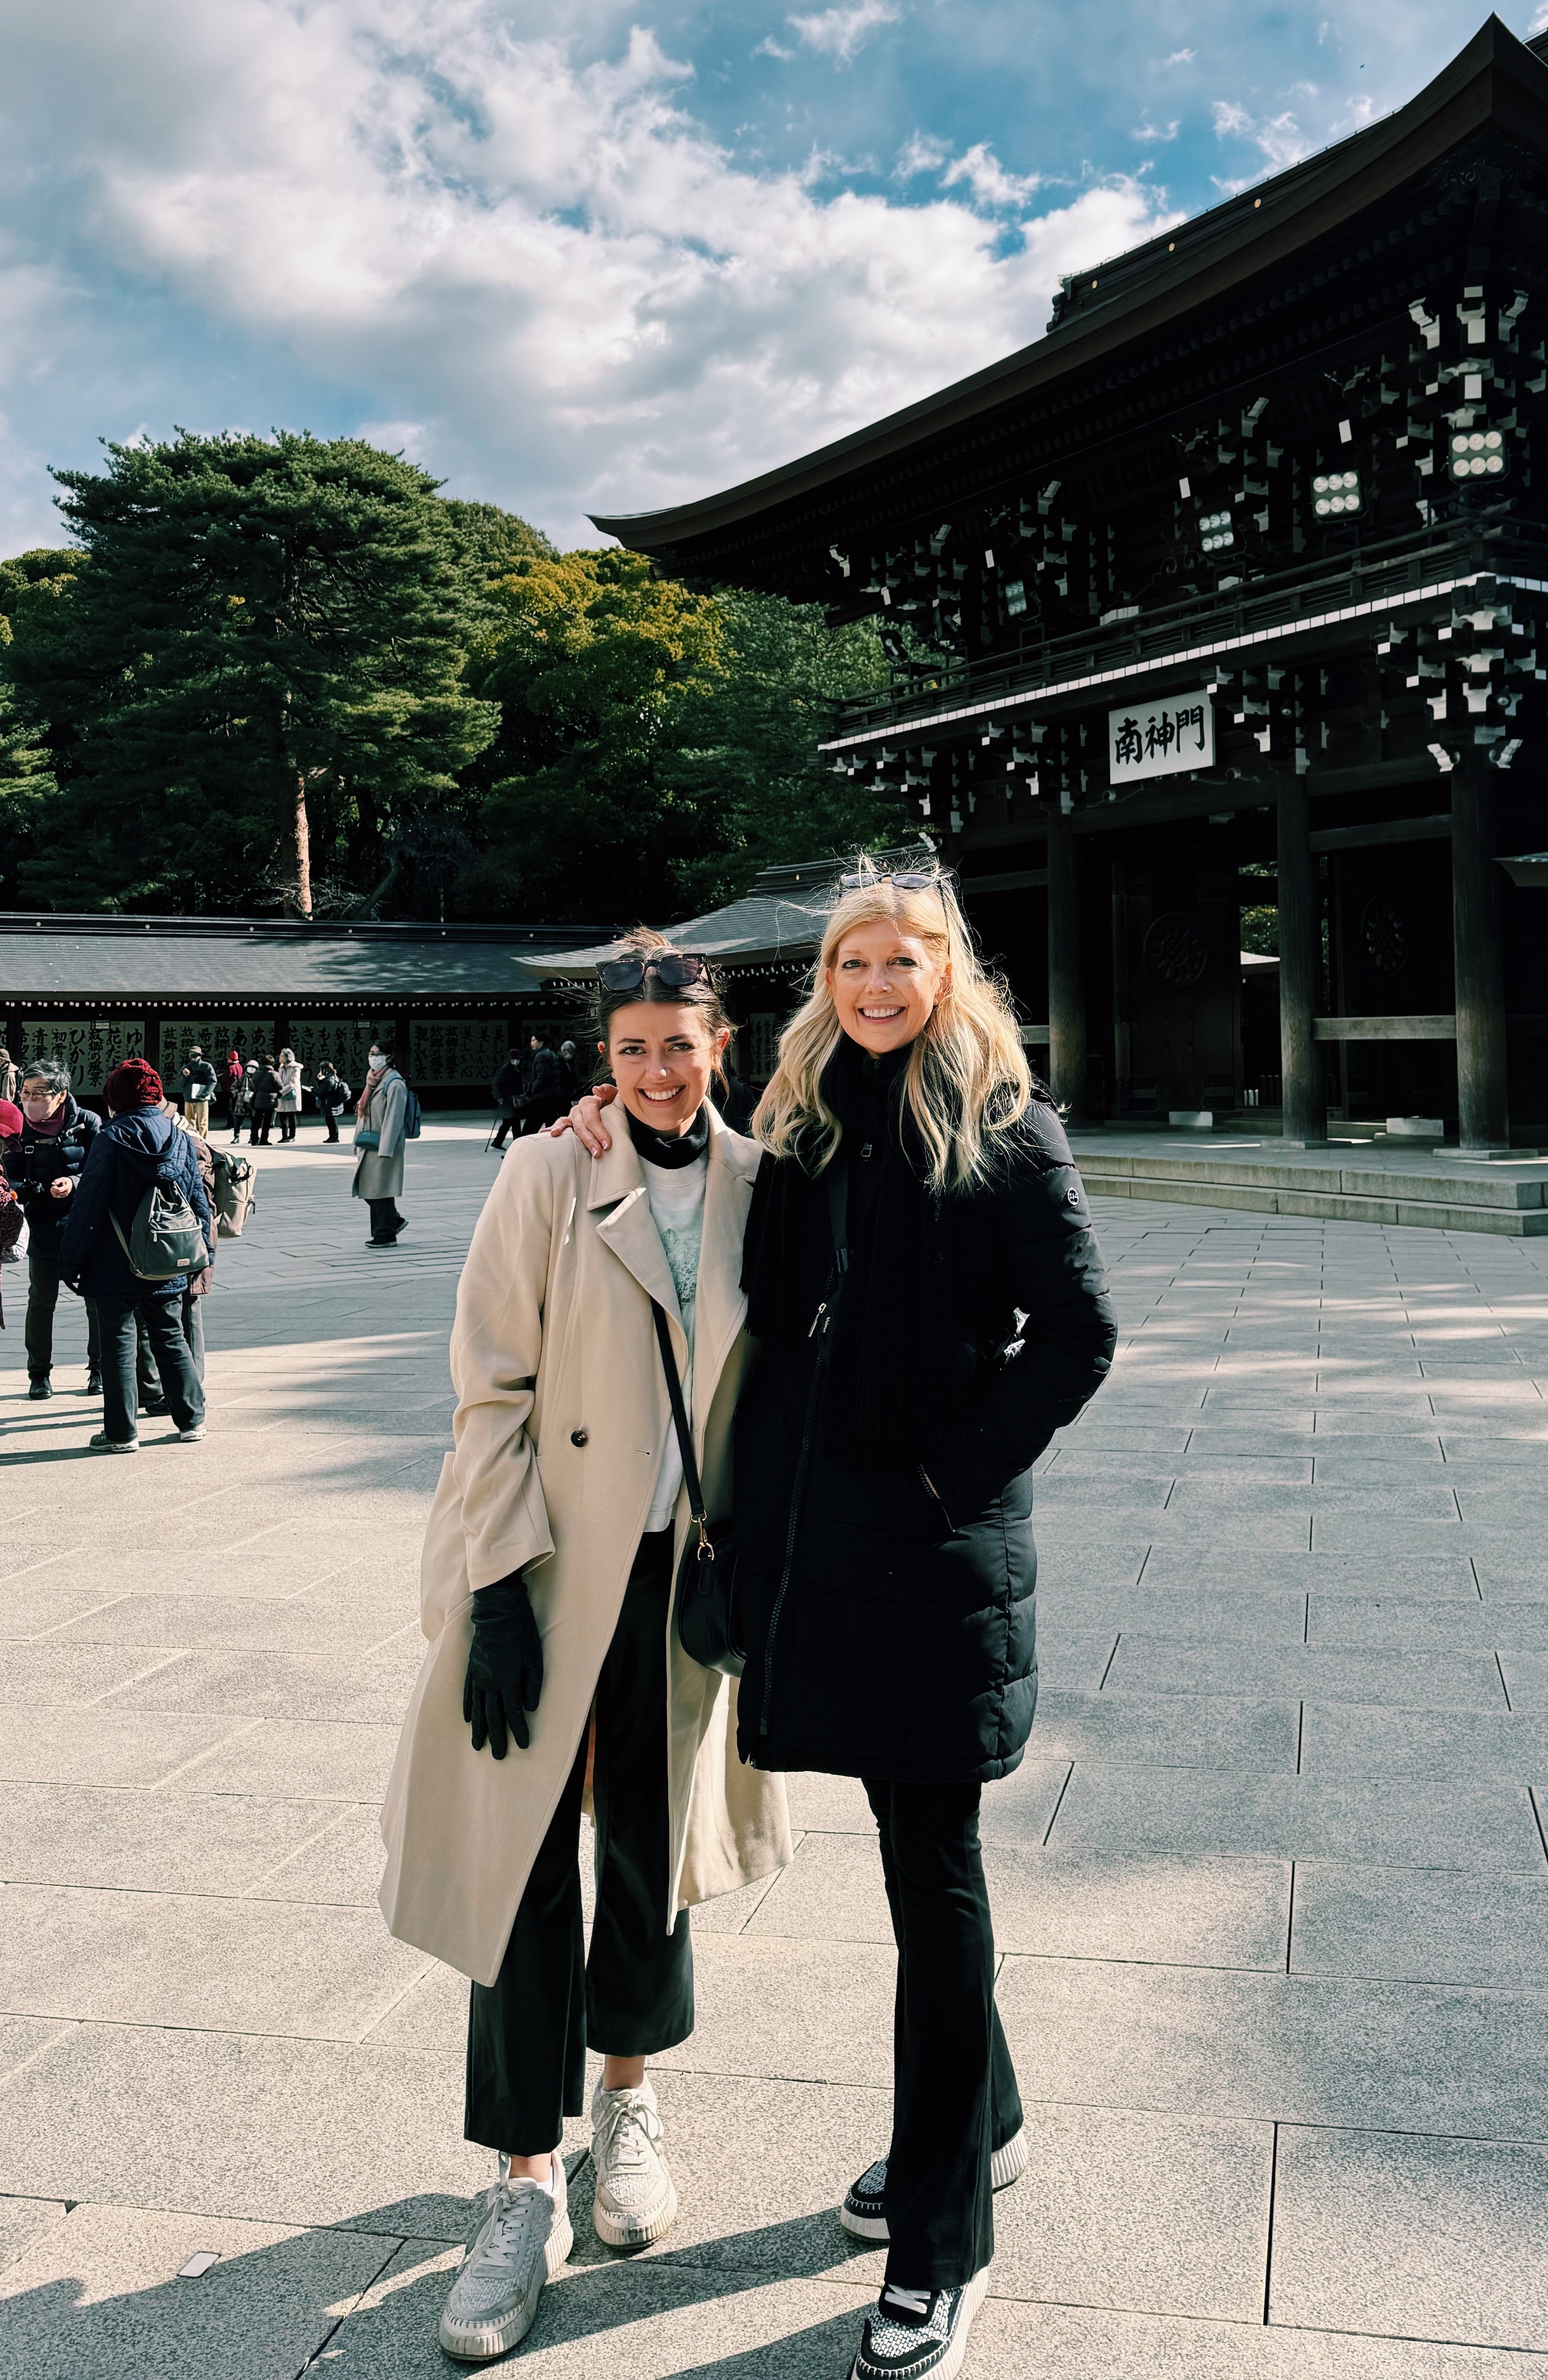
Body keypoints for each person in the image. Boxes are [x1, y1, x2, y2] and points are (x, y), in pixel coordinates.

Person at [560, 869, 1116, 2380]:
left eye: (901, 960)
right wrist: (597, 1130)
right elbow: (703, 1198)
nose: (874, 984)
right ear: (827, 980)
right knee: (909, 1860)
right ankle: (979, 2119)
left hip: (933, 1558)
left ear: (949, 974)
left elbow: (1078, 1334)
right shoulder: (807, 1129)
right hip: (822, 1550)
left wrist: (947, 1471)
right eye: (851, 962)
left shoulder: (1000, 1127)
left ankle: (942, 2241)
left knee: (933, 1880)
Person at [379, 928, 790, 2364]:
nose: (661, 1070)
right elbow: (488, 1387)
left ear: (719, 1046)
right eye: (633, 1048)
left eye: (682, 1044)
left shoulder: (759, 1183)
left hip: (680, 1580)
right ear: (599, 1059)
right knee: (520, 1866)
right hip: (551, 1570)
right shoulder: (547, 1173)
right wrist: (495, 1590)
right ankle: (519, 2179)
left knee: (648, 1856)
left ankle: (627, 2097)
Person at [58, 1057, 213, 1452]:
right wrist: (204, 1253)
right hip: (167, 1256)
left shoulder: (111, 1138)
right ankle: (191, 1420)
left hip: (115, 1260)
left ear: (116, 1098)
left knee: (119, 1342)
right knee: (170, 1335)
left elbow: (89, 1204)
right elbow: (197, 1200)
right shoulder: (179, 1137)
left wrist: (72, 1261)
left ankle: (122, 1432)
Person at [8, 1057, 103, 1398]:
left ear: (61, 1095)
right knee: (41, 1299)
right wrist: (26, 1187)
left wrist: (74, 1183)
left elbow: (101, 1171)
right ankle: (39, 1374)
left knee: (95, 1299)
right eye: (26, 1092)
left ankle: (99, 1369)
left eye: (39, 1093)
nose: (30, 1100)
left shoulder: (88, 1123)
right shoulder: (18, 1126)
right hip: (41, 1224)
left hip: (83, 1224)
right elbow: (9, 1176)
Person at [134, 1091, 217, 1412]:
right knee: (182, 1313)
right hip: (184, 1239)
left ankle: (190, 1391)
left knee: (189, 1312)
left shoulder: (184, 1140)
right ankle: (172, 1390)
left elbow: (197, 1199)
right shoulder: (177, 1131)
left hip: (187, 1240)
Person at [352, 1045, 409, 1245]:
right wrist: (357, 1140)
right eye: (371, 1054)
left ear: (389, 1057)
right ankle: (394, 1221)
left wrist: (386, 1149)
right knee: (370, 1189)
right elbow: (363, 1112)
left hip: (385, 1145)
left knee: (381, 1190)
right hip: (369, 1142)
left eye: (377, 1054)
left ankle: (385, 1234)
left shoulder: (394, 1083)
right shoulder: (373, 1081)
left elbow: (394, 1119)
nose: (373, 1058)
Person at [519, 1032, 568, 1134]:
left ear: (541, 1042)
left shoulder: (541, 1056)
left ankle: (524, 1148)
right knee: (551, 1125)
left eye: (534, 1040)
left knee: (529, 1129)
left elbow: (542, 1076)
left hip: (542, 1097)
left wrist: (532, 1090)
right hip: (553, 1096)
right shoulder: (551, 1054)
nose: (531, 1043)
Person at [490, 1048, 525, 1151]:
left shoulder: (513, 1068)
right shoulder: (507, 1069)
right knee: (514, 1123)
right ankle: (517, 1145)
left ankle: (497, 1142)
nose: (517, 1061)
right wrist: (499, 1097)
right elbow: (496, 1083)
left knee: (509, 1123)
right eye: (515, 1059)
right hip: (508, 1100)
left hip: (512, 1100)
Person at [176, 1046, 217, 1133]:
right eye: (191, 1054)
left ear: (200, 1056)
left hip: (202, 1098)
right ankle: (193, 1141)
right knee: (189, 1123)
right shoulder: (186, 1068)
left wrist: (206, 1093)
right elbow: (180, 1085)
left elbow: (213, 1081)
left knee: (203, 1122)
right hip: (189, 1099)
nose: (193, 1056)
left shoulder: (207, 1066)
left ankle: (203, 1142)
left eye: (196, 1055)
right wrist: (185, 1076)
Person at [247, 1053, 282, 1146]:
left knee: (256, 1121)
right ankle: (264, 1140)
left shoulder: (256, 1073)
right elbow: (280, 1086)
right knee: (267, 1122)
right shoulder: (274, 1074)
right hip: (270, 1100)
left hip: (258, 1099)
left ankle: (254, 1139)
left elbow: (252, 1086)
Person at [315, 1060, 351, 1144]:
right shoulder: (333, 1077)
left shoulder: (329, 1080)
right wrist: (319, 1080)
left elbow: (323, 1092)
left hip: (330, 1103)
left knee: (331, 1121)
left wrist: (313, 1090)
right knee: (331, 1121)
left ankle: (334, 1137)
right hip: (334, 1103)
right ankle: (333, 1137)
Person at [275, 1048, 307, 1142]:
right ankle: (284, 1136)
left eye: (282, 1056)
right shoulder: (281, 1067)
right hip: (282, 1094)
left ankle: (292, 1136)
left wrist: (282, 1091)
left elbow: (293, 1082)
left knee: (291, 1117)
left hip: (291, 1094)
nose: (280, 1058)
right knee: (283, 1117)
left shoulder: (295, 1068)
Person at [224, 1050, 246, 1139]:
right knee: (233, 1107)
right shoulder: (240, 1066)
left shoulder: (230, 1068)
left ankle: (231, 1124)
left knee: (229, 1108)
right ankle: (233, 1123)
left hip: (229, 1089)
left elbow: (225, 1078)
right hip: (237, 1090)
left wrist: (220, 1077)